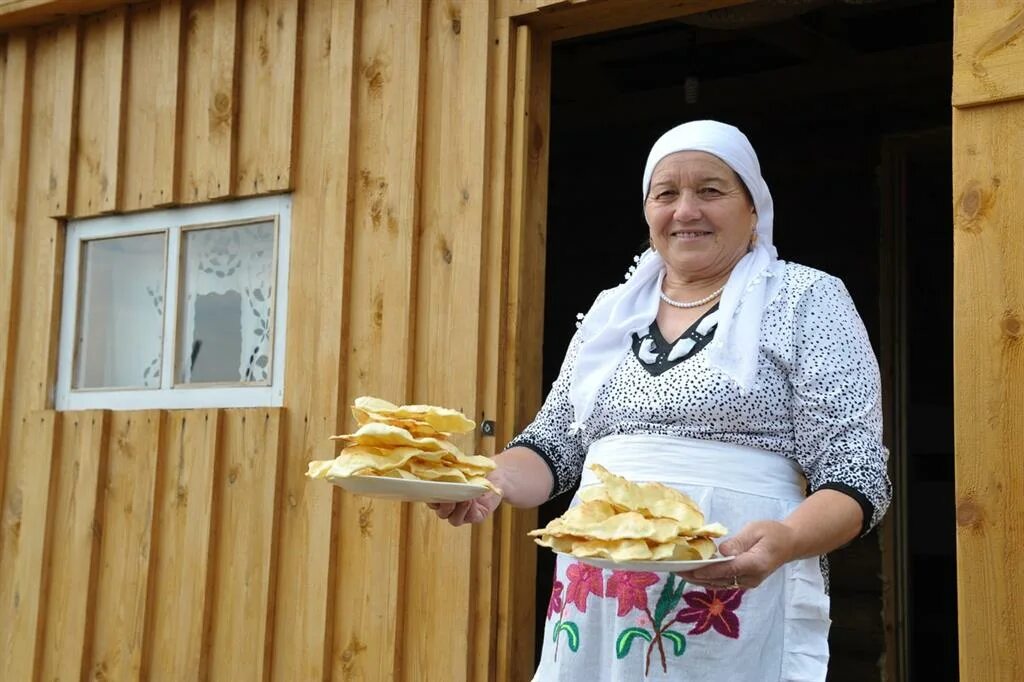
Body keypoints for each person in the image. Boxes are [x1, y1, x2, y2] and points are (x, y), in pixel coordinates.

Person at [430, 120, 891, 681]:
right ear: (648, 211)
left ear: (753, 208)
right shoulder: (610, 312)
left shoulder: (805, 298)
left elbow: (857, 471)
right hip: (600, 594)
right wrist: (486, 480)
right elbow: (553, 447)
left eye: (712, 191)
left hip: (731, 587)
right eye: (666, 193)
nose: (686, 210)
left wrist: (788, 540)